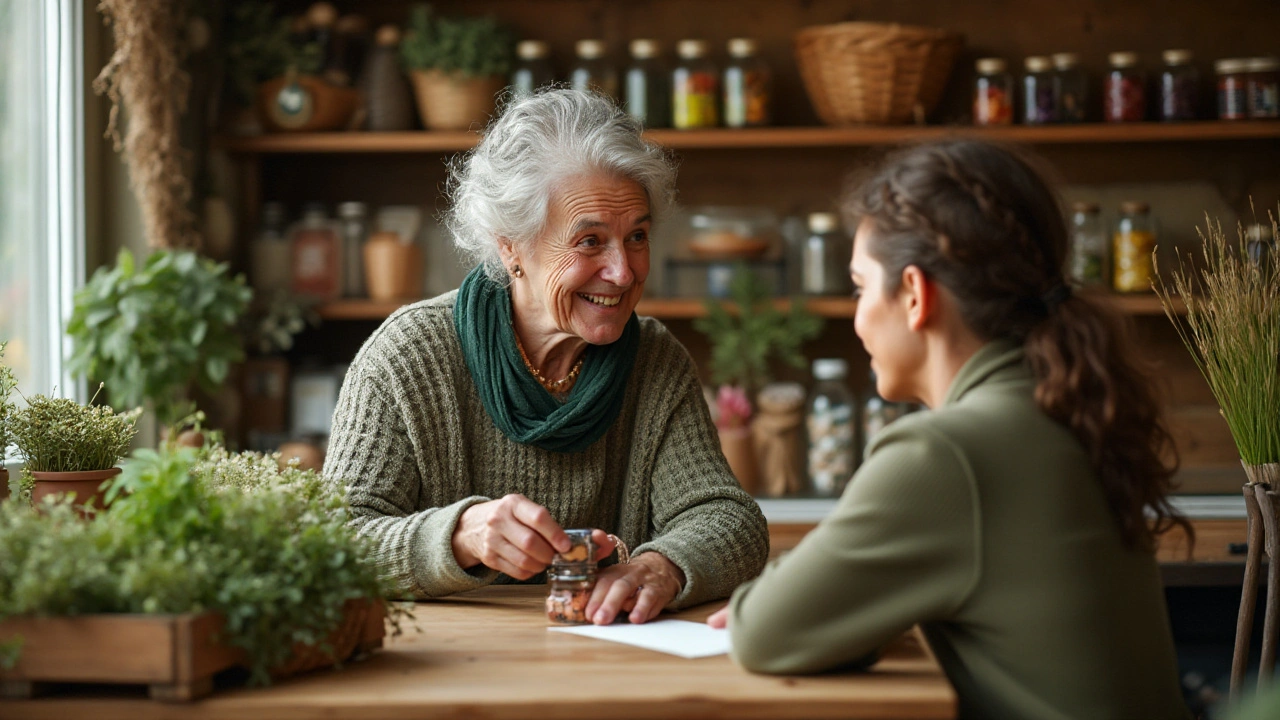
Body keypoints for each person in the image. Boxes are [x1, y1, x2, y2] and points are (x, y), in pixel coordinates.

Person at [708, 139, 1192, 719]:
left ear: (914, 294)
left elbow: (764, 632)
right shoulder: (1066, 408)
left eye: (862, 288)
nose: (859, 314)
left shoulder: (946, 454)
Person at [323, 88, 768, 626]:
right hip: (443, 672)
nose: (623, 272)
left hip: (611, 666)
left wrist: (662, 566)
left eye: (637, 236)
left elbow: (729, 519)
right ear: (511, 246)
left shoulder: (653, 360)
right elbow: (335, 541)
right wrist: (458, 537)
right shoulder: (407, 357)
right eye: (589, 241)